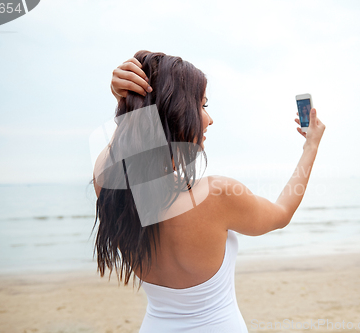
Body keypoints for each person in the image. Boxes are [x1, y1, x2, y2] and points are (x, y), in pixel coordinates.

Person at [95, 50, 325, 332]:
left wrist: (127, 102)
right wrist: (310, 146)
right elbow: (282, 213)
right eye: (202, 106)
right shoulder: (217, 194)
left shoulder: (110, 185)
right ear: (174, 111)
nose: (209, 119)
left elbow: (124, 148)